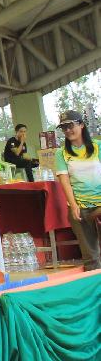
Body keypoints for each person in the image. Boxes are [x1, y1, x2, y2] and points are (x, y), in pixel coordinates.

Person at [53, 110, 100, 271]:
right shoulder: (61, 153)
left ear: (81, 125)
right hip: (80, 208)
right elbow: (64, 181)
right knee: (91, 258)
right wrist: (73, 205)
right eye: (64, 127)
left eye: (71, 126)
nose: (67, 130)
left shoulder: (98, 146)